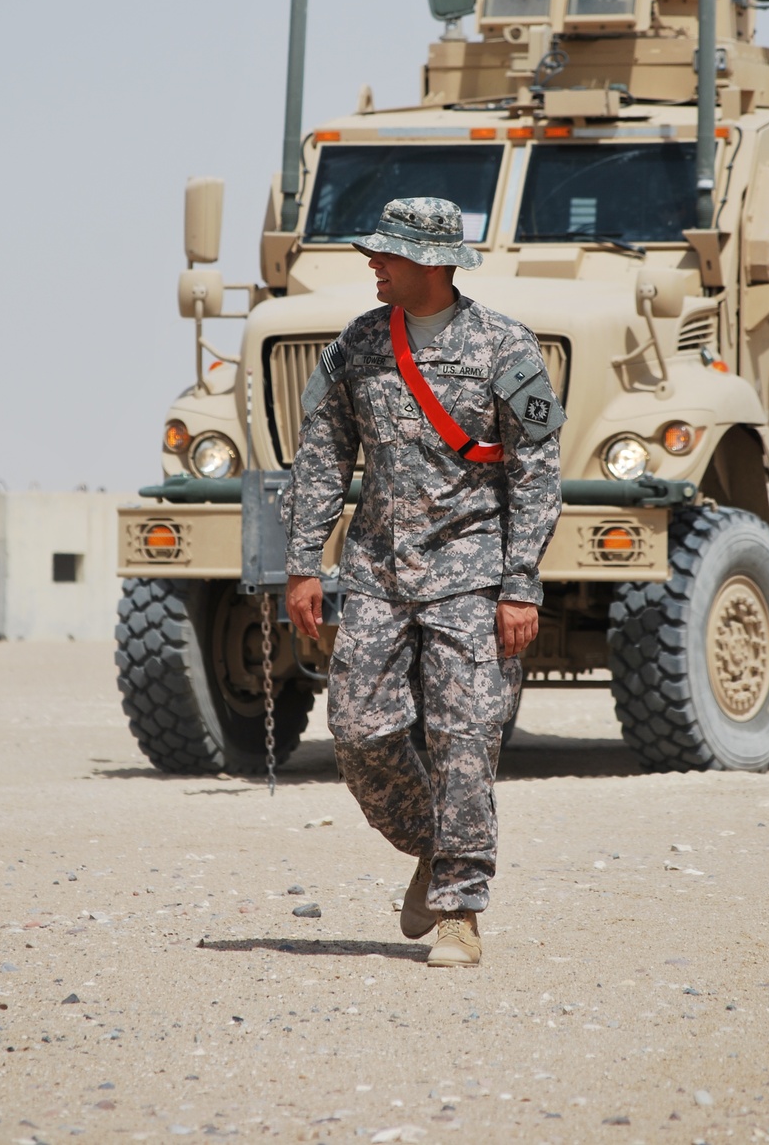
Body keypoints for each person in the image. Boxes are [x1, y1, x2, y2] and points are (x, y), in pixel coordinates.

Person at [284, 196, 563, 966]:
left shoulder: (507, 347)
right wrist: (304, 563)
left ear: (433, 264)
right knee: (356, 732)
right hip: (376, 570)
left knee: (463, 739)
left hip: (472, 575)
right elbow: (322, 458)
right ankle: (439, 848)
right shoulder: (360, 345)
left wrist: (520, 584)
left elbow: (537, 475)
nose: (373, 263)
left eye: (387, 254)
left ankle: (459, 911)